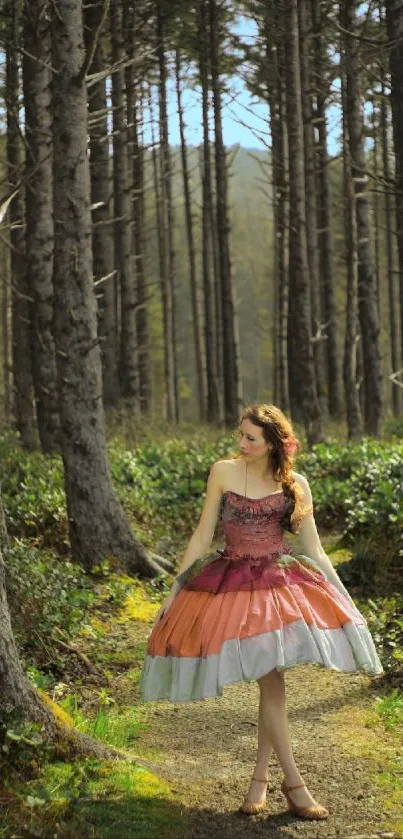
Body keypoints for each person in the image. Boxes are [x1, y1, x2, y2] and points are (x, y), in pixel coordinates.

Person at [140, 404, 383, 820]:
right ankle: (286, 785)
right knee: (270, 684)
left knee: (271, 682)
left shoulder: (296, 484)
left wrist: (344, 598)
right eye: (240, 434)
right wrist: (175, 587)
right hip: (232, 585)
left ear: (273, 442)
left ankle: (275, 783)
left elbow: (315, 549)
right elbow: (202, 535)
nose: (241, 443)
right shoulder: (223, 471)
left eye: (251, 437)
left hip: (279, 587)